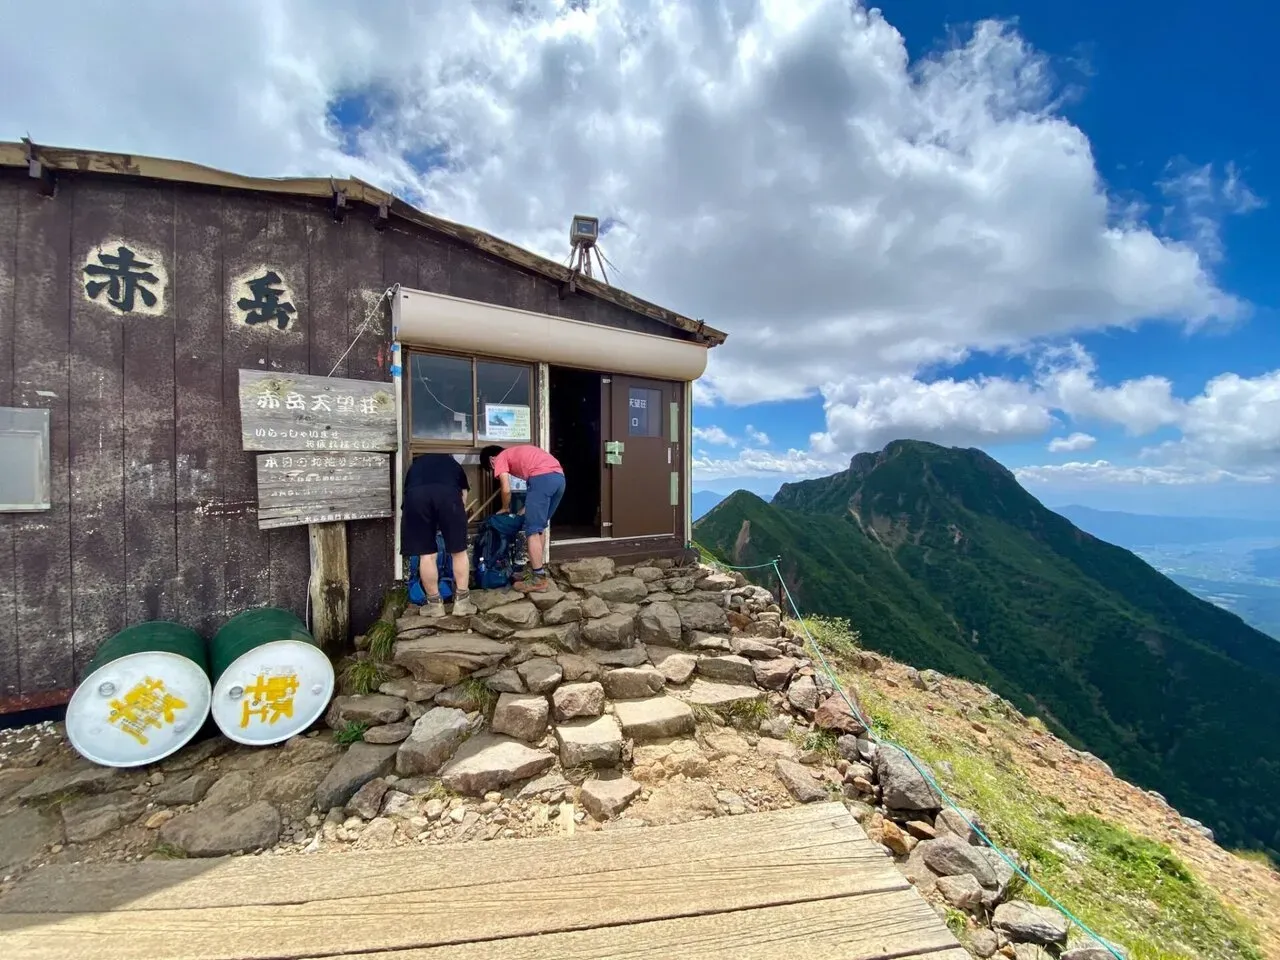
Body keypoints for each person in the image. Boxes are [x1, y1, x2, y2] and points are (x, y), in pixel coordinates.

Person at [479, 444, 564, 593]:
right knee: (539, 528)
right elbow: (535, 491)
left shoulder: (501, 457)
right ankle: (536, 570)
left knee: (532, 531)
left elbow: (506, 489)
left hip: (542, 479)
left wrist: (505, 508)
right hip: (559, 479)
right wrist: (524, 510)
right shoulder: (518, 454)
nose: (496, 471)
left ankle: (538, 580)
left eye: (492, 469)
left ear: (492, 460)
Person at [401, 452, 476, 617]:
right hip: (449, 496)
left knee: (426, 554)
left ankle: (434, 605)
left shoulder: (415, 467)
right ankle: (462, 603)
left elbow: (408, 494)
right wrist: (455, 519)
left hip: (416, 498)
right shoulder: (453, 465)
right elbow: (463, 496)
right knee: (458, 551)